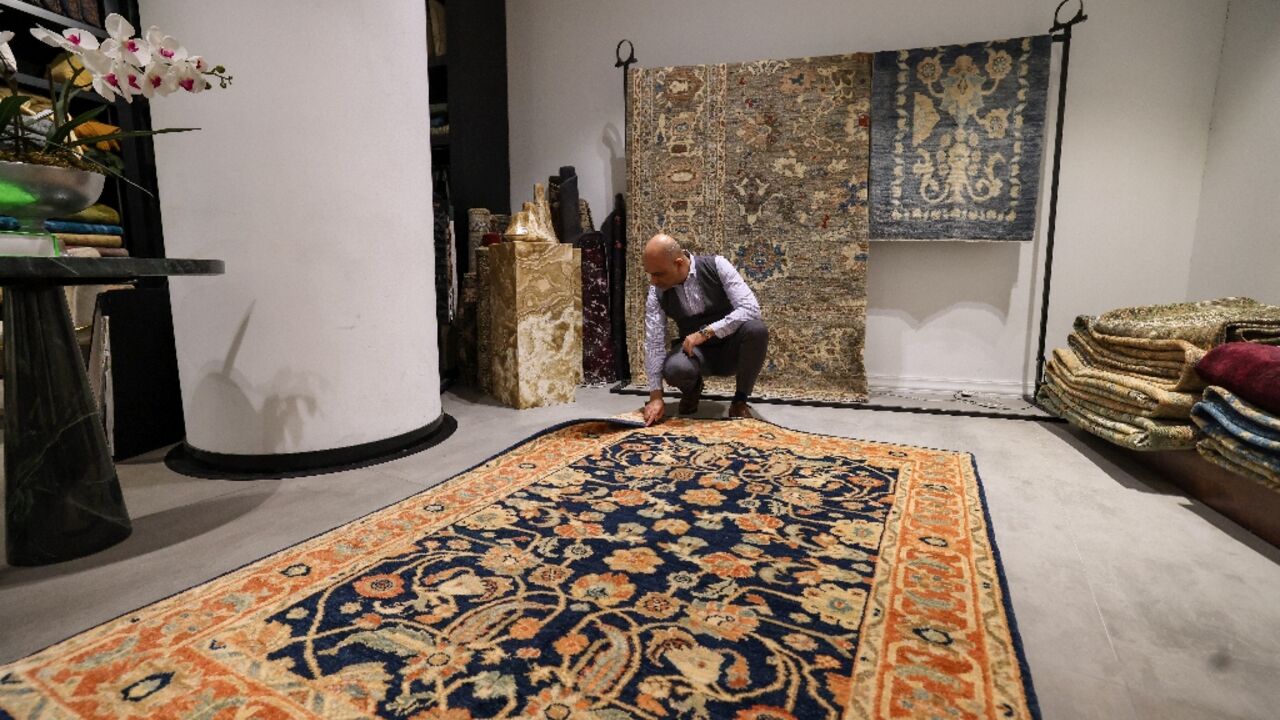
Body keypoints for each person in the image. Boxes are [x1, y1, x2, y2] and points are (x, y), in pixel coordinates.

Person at [639, 234, 769, 425]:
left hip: (731, 349)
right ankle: (692, 390)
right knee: (674, 368)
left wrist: (706, 332)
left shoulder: (718, 265)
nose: (653, 281)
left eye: (658, 274)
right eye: (650, 274)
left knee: (757, 330)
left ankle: (740, 401)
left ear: (679, 263)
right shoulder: (657, 291)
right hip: (695, 355)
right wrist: (656, 396)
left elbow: (750, 309)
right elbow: (654, 342)